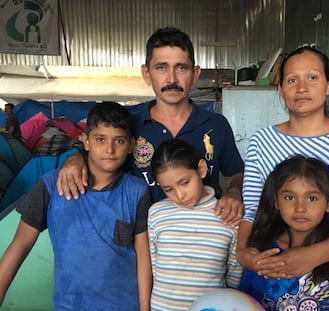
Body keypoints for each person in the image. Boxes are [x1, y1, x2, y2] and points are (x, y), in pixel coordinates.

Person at [56, 27, 244, 225]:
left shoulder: (216, 125)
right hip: (139, 244)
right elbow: (99, 151)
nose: (172, 79)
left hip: (202, 241)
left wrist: (234, 193)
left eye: (181, 67)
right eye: (161, 67)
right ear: (146, 73)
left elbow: (235, 174)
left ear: (195, 73)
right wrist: (75, 160)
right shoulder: (128, 124)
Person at [237, 46, 329, 286]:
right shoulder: (262, 141)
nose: (302, 88)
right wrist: (243, 251)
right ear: (281, 89)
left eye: (312, 78)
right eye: (292, 80)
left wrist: (314, 256)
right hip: (273, 270)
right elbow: (254, 208)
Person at [0, 102, 152, 310]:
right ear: (86, 142)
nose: (109, 149)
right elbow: (20, 245)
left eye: (119, 140)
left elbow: (143, 255)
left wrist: (145, 309)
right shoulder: (52, 185)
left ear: (131, 145)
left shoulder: (137, 191)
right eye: (100, 139)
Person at [238, 155, 329, 310]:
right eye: (290, 197)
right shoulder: (261, 251)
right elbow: (241, 302)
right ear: (276, 200)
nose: (300, 208)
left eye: (311, 198)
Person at [148, 138, 243, 310]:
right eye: (168, 189)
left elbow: (234, 279)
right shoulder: (156, 213)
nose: (180, 195)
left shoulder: (227, 215)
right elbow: (155, 268)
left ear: (201, 169)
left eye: (184, 183)